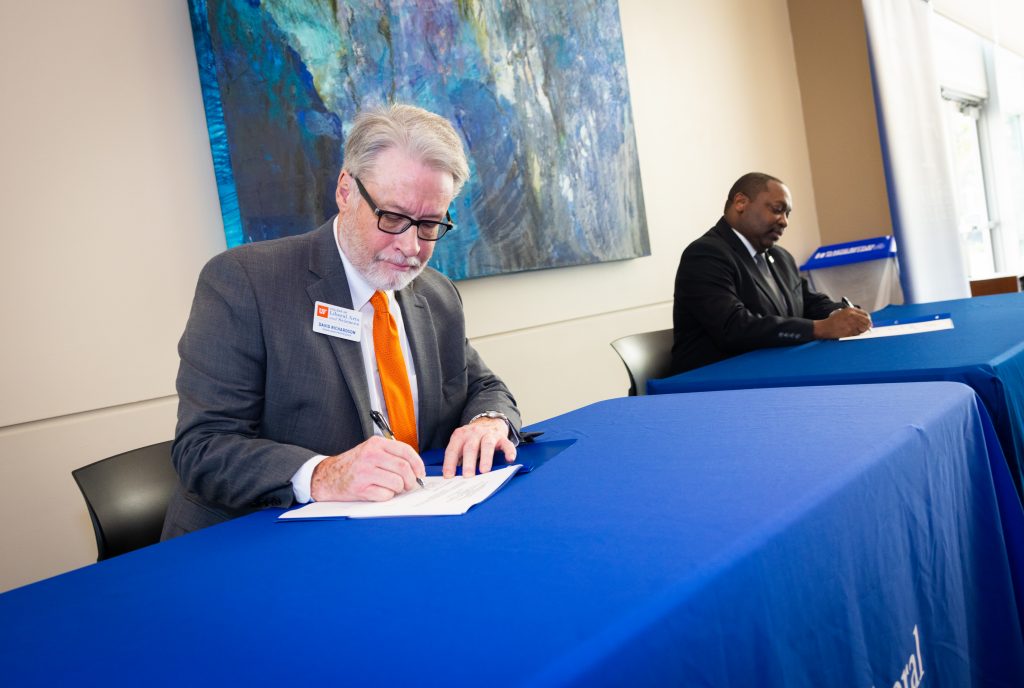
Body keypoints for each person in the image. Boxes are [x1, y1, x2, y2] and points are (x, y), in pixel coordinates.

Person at [162, 104, 521, 539]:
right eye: (392, 218)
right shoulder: (245, 282)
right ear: (346, 191)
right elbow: (203, 448)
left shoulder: (436, 293)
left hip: (400, 531)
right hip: (259, 545)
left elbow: (484, 387)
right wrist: (324, 475)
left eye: (429, 225)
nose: (411, 247)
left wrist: (488, 420)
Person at [671, 172, 872, 373]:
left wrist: (841, 314)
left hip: (773, 369)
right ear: (740, 202)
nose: (785, 222)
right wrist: (820, 328)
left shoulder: (780, 256)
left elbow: (808, 302)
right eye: (778, 210)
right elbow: (734, 328)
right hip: (714, 381)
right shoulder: (705, 254)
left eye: (788, 214)